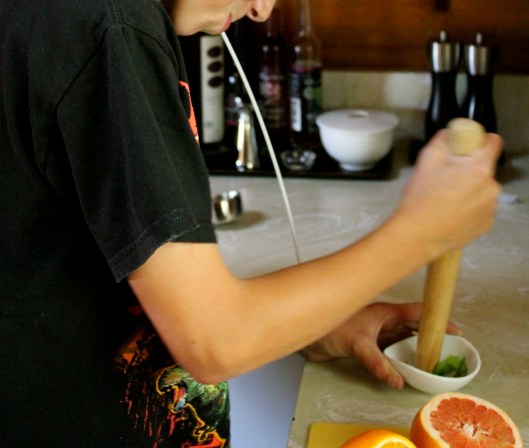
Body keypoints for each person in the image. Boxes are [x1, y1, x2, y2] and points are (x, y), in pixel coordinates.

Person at [0, 0, 502, 446]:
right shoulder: (112, 27)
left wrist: (307, 322)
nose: (262, 10)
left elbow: (131, 283)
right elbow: (214, 342)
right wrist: (421, 231)